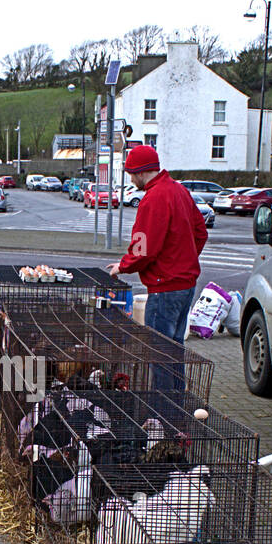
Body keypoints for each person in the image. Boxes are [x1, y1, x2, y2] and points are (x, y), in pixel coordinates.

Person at [106, 144, 206, 393]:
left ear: (140, 172)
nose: (130, 179)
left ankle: (162, 417)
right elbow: (200, 233)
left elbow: (143, 248)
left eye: (131, 173)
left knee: (159, 355)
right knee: (174, 351)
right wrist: (183, 259)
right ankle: (177, 409)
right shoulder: (179, 191)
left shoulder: (153, 199)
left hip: (164, 288)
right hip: (185, 286)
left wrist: (123, 266)